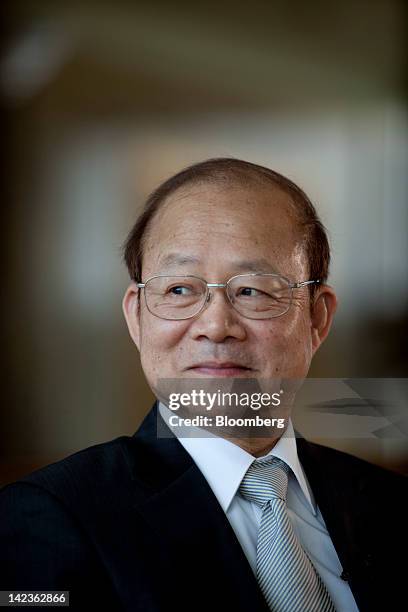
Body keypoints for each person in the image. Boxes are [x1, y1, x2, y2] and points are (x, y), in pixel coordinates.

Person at [0, 158, 405, 611]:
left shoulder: (392, 507)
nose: (215, 326)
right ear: (136, 316)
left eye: (253, 289)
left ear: (317, 317)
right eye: (179, 290)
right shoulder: (49, 518)